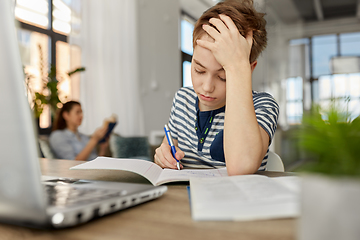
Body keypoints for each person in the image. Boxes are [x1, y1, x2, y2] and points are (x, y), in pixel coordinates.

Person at [154, 0, 279, 175]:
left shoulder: (263, 105)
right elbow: (169, 147)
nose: (206, 87)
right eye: (199, 69)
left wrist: (236, 67)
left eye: (223, 77)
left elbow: (241, 167)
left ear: (248, 70)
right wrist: (163, 156)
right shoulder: (183, 99)